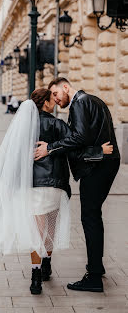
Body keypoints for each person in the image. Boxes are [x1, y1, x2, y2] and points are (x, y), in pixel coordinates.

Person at [0, 88, 113, 295]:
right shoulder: (57, 124)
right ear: (46, 103)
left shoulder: (22, 127)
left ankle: (36, 276)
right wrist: (99, 151)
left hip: (33, 186)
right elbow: (75, 149)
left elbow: (12, 158)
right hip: (55, 184)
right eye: (52, 99)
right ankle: (47, 264)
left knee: (36, 231)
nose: (55, 101)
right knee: (50, 227)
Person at [35, 78, 120, 293]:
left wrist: (51, 148)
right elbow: (93, 136)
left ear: (65, 87)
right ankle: (96, 268)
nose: (54, 99)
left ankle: (93, 277)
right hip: (103, 164)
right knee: (93, 216)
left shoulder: (79, 102)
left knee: (90, 217)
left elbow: (80, 137)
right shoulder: (94, 100)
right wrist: (98, 151)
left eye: (55, 94)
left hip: (96, 168)